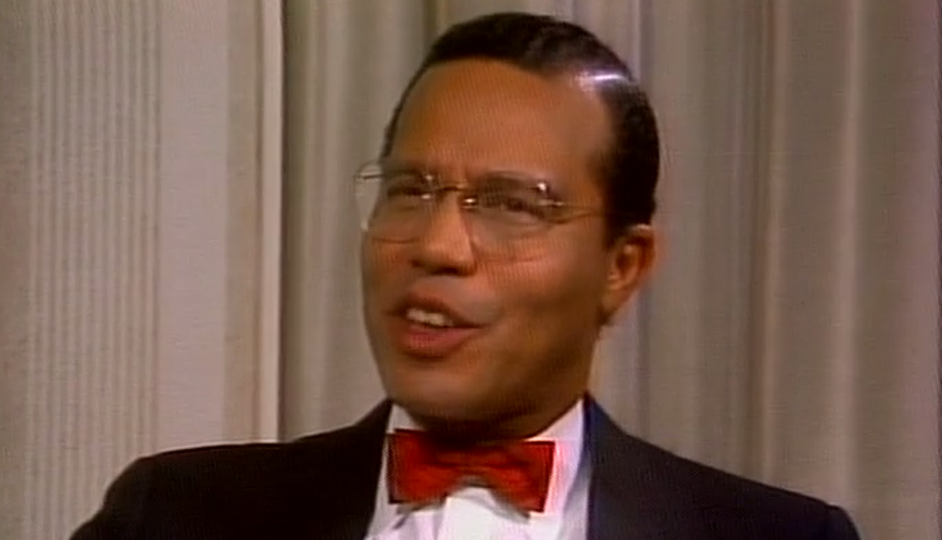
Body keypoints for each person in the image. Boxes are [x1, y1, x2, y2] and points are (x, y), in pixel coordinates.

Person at [71, 12, 862, 540]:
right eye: (410, 190)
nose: (439, 245)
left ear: (622, 267)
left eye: (513, 205)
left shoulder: (780, 537)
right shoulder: (174, 516)